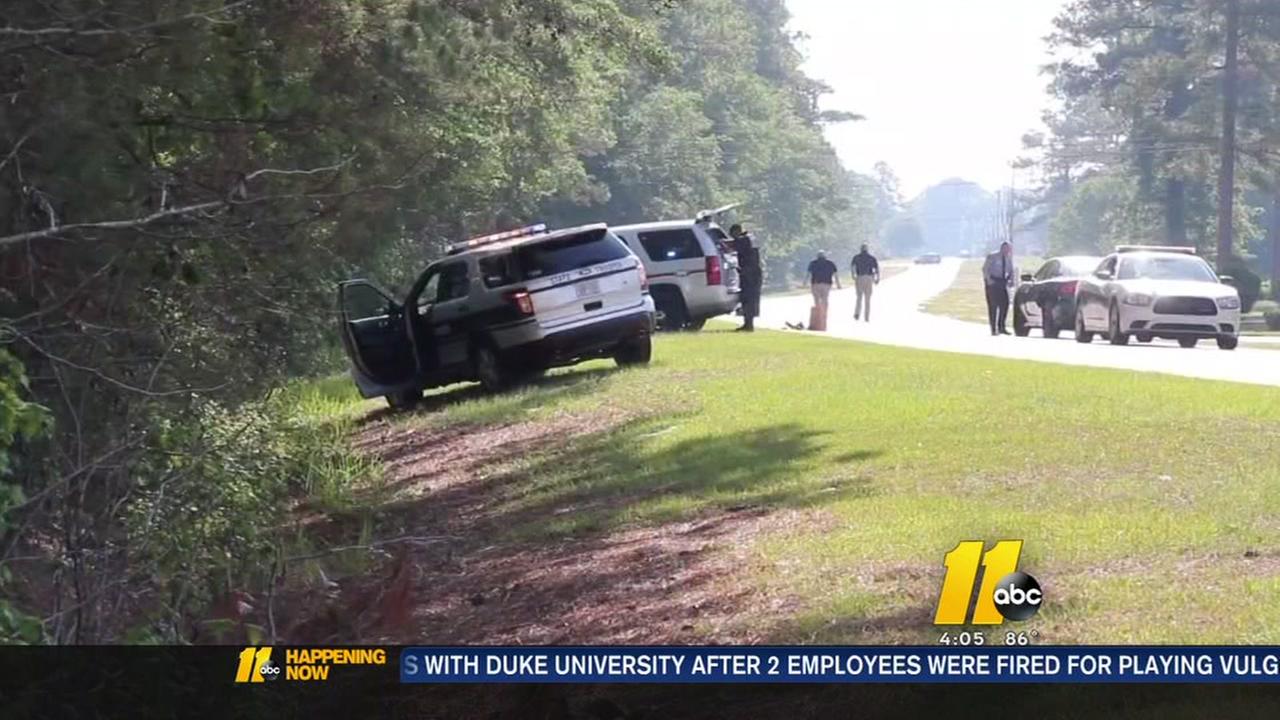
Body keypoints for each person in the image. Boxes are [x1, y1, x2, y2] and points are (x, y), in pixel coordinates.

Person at [729, 223, 762, 332]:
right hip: (752, 273)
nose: (733, 237)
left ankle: (749, 325)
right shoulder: (749, 238)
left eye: (733, 234)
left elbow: (732, 246)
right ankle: (747, 324)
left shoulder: (744, 240)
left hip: (750, 274)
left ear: (737, 231)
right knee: (748, 300)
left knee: (748, 299)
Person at [983, 241, 1015, 336]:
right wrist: (988, 280)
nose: (1008, 251)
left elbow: (1011, 271)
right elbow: (985, 269)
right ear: (1002, 248)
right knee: (993, 306)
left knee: (1005, 304)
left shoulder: (1008, 258)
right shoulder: (992, 256)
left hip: (1002, 283)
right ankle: (993, 329)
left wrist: (1011, 280)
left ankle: (1002, 327)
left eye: (1009, 249)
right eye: (1006, 249)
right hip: (993, 283)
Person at [850, 244, 880, 322]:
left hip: (860, 277)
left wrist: (853, 275)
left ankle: (857, 313)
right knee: (868, 299)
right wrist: (877, 278)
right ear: (867, 249)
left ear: (861, 249)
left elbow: (853, 267)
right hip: (869, 278)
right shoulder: (871, 258)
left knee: (859, 297)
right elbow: (876, 269)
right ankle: (866, 317)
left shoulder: (856, 257)